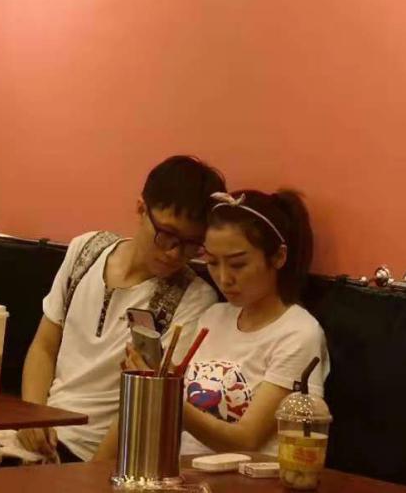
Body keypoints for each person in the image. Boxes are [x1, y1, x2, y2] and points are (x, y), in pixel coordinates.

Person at [17, 155, 226, 464]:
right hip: (42, 431)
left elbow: (148, 401)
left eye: (191, 244)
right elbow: (45, 346)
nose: (174, 253)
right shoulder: (86, 249)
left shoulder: (193, 298)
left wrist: (89, 475)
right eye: (167, 235)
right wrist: (33, 416)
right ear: (141, 209)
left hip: (91, 454)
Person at [98, 188, 329, 459]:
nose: (224, 278)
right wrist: (156, 378)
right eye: (212, 262)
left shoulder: (298, 333)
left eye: (238, 264)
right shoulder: (214, 316)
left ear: (278, 257)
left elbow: (246, 440)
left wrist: (167, 397)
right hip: (185, 471)